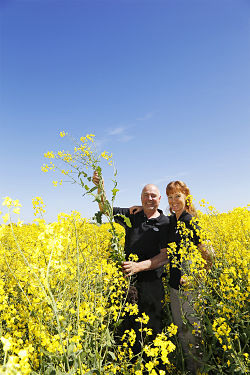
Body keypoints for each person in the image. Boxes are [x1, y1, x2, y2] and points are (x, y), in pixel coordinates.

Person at [124, 180, 213, 374]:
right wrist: (144, 206)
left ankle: (197, 370)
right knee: (182, 331)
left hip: (189, 288)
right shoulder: (173, 221)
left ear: (186, 197)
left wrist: (195, 278)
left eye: (177, 196)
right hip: (174, 286)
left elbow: (209, 255)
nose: (173, 201)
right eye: (170, 197)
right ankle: (190, 369)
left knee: (192, 333)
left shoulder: (190, 221)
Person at [92, 171, 171, 356]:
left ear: (160, 199)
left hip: (152, 282)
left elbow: (165, 256)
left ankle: (152, 363)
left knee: (152, 326)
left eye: (153, 195)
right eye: (146, 195)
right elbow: (105, 209)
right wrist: (100, 187)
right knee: (129, 323)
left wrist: (139, 266)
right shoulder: (132, 214)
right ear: (141, 198)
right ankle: (130, 361)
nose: (149, 198)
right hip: (129, 282)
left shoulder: (167, 223)